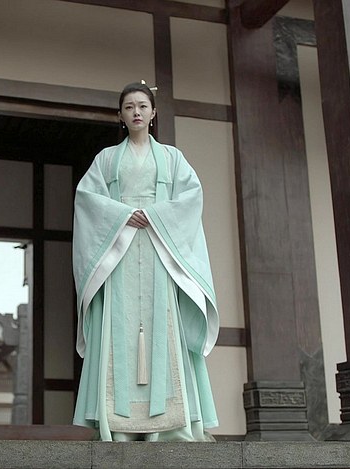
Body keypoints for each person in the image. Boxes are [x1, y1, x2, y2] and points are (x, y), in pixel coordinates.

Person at [72, 82, 219, 442]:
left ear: (153, 113)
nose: (136, 112)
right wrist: (123, 214)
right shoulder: (106, 159)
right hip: (119, 252)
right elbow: (87, 198)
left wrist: (154, 215)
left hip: (158, 250)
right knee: (117, 327)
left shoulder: (171, 157)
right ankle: (119, 425)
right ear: (120, 116)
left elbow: (191, 197)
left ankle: (169, 425)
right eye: (128, 107)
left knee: (163, 326)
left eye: (142, 106)